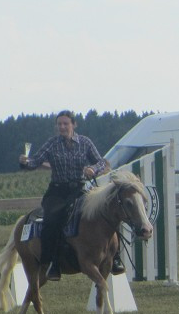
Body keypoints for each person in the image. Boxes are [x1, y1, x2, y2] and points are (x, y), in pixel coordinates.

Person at [19, 111, 112, 280]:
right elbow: (36, 161)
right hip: (58, 191)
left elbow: (101, 162)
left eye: (65, 124)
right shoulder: (52, 144)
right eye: (59, 124)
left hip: (81, 188)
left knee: (105, 212)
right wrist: (25, 162)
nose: (62, 127)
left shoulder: (85, 142)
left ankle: (114, 256)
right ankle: (52, 261)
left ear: (73, 125)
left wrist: (93, 169)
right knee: (53, 219)